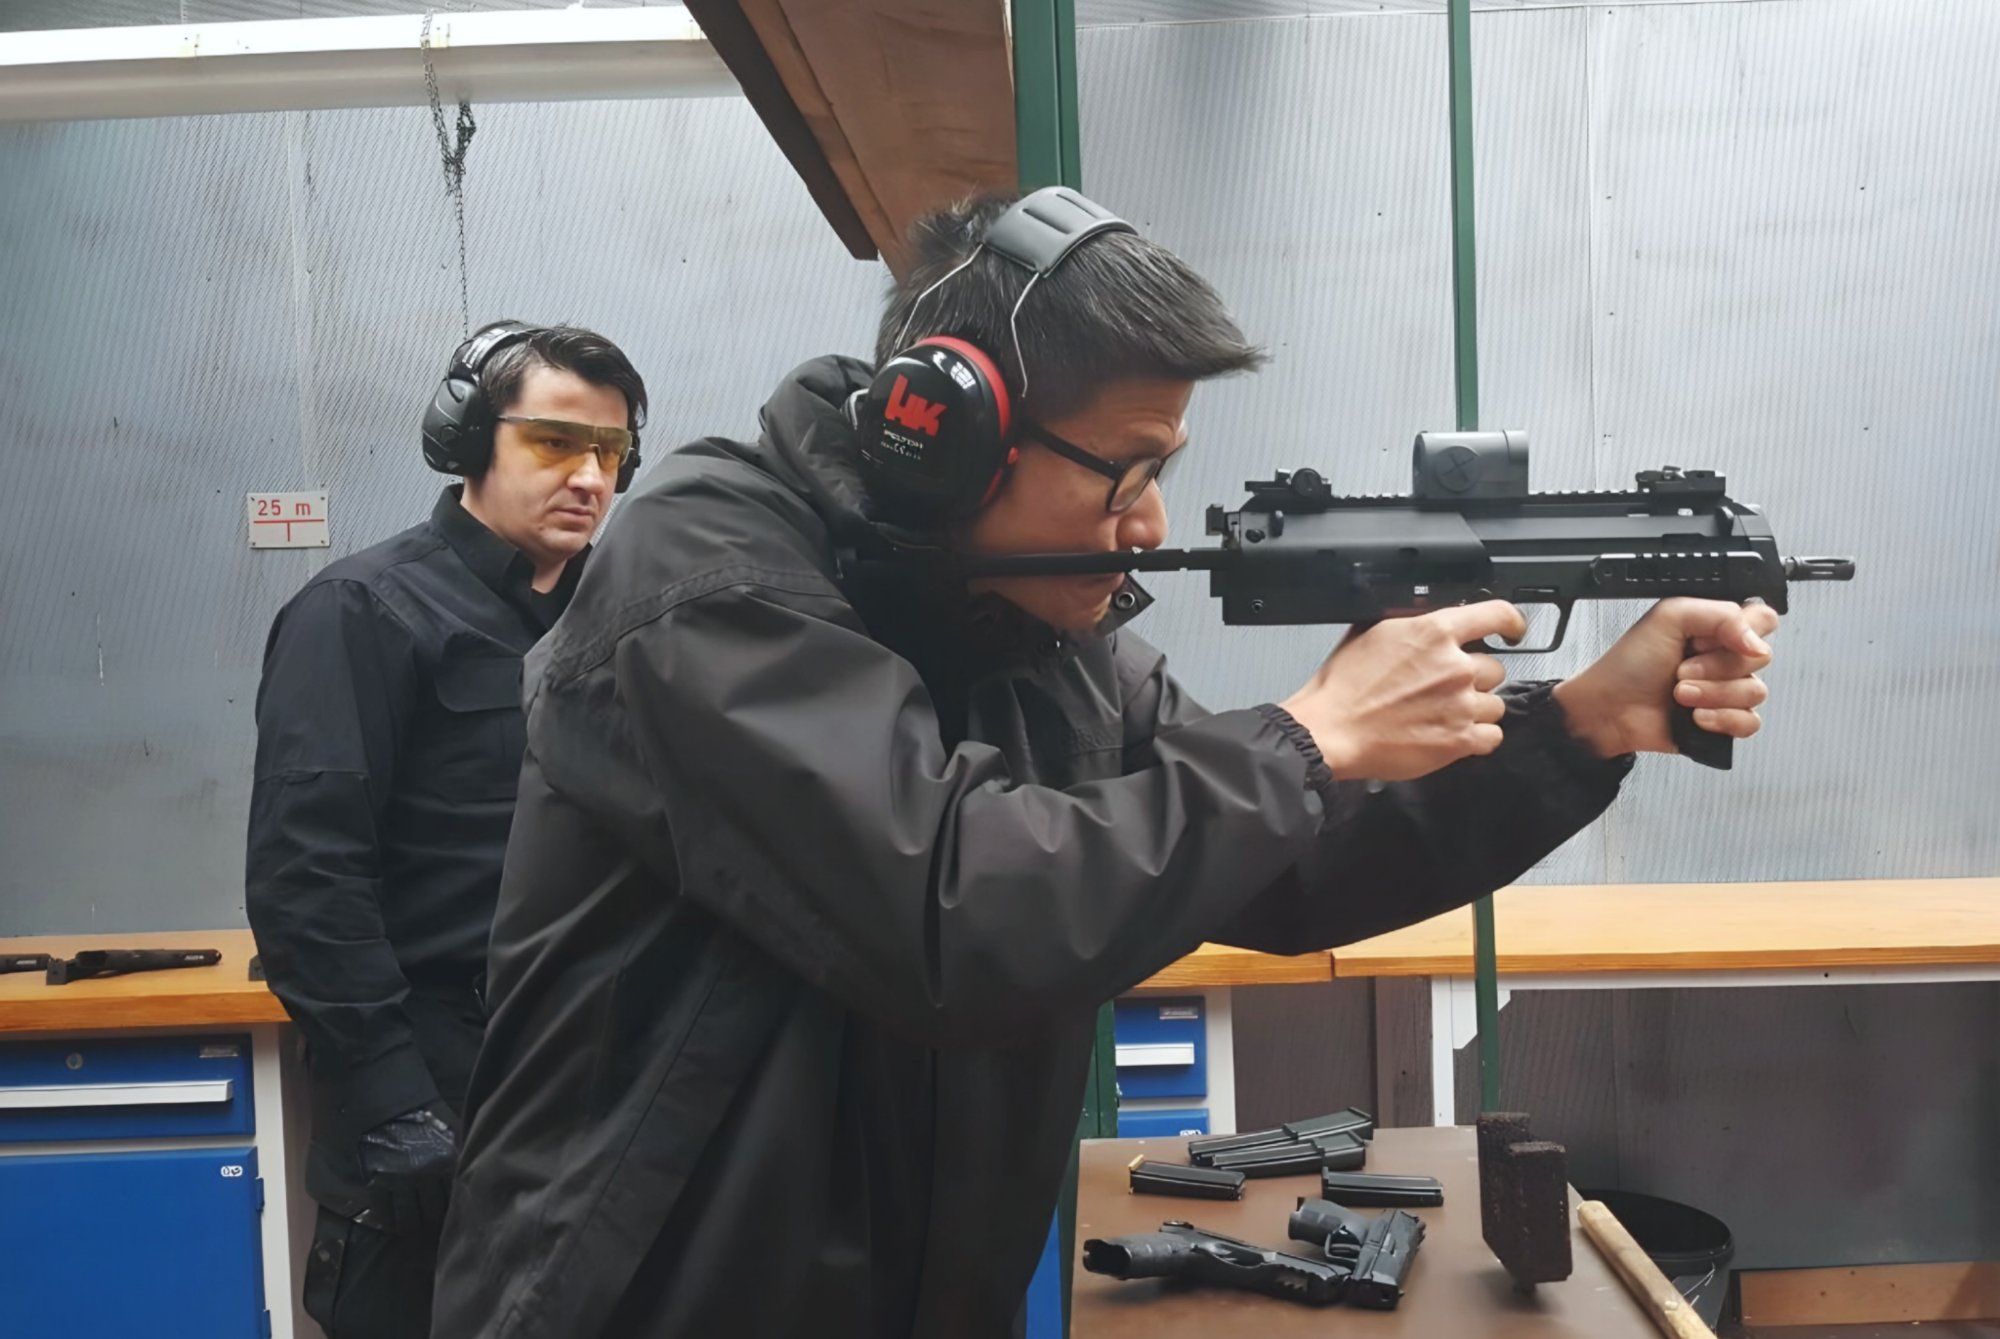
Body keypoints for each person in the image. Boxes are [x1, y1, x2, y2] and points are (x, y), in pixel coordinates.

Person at [429, 191, 1779, 1338]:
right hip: (645, 1293)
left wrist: (1585, 722)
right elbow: (948, 906)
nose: (1148, 525)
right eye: (1124, 471)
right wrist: (1307, 735)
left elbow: (1278, 860)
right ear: (943, 429)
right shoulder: (704, 578)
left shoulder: (1036, 622)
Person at [245, 321, 648, 1338]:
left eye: (610, 453)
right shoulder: (363, 613)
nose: (589, 477)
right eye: (555, 442)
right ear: (468, 441)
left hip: (589, 1091)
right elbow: (307, 876)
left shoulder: (628, 624)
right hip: (431, 1092)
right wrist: (389, 1101)